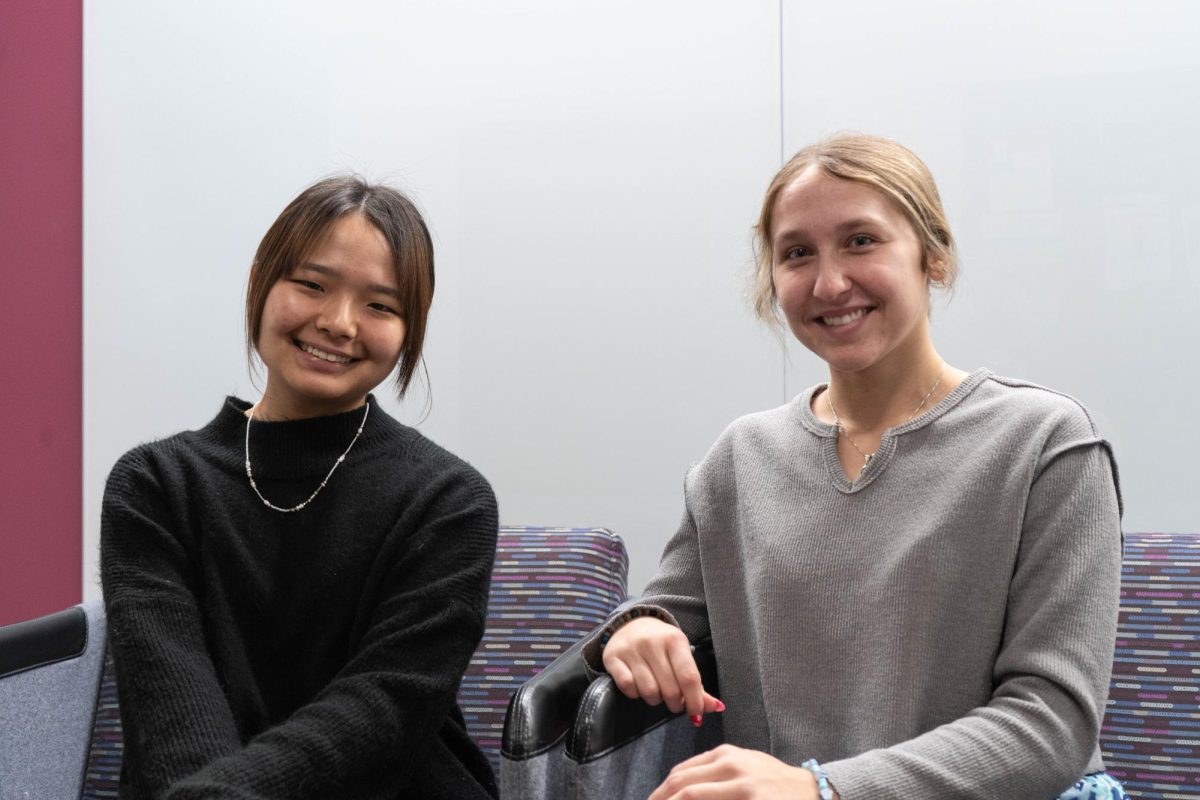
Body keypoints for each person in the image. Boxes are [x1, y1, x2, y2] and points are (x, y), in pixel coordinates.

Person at [596, 135, 1126, 799]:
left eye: (861, 241)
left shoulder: (1046, 444)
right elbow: (667, 613)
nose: (829, 282)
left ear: (933, 255)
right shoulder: (740, 458)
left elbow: (1051, 725)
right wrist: (641, 629)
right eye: (796, 254)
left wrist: (825, 790)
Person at [100, 176, 499, 799]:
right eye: (311, 285)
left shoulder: (449, 500)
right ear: (262, 281)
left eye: (381, 306)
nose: (339, 323)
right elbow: (170, 702)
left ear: (409, 326)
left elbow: (387, 706)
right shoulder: (154, 485)